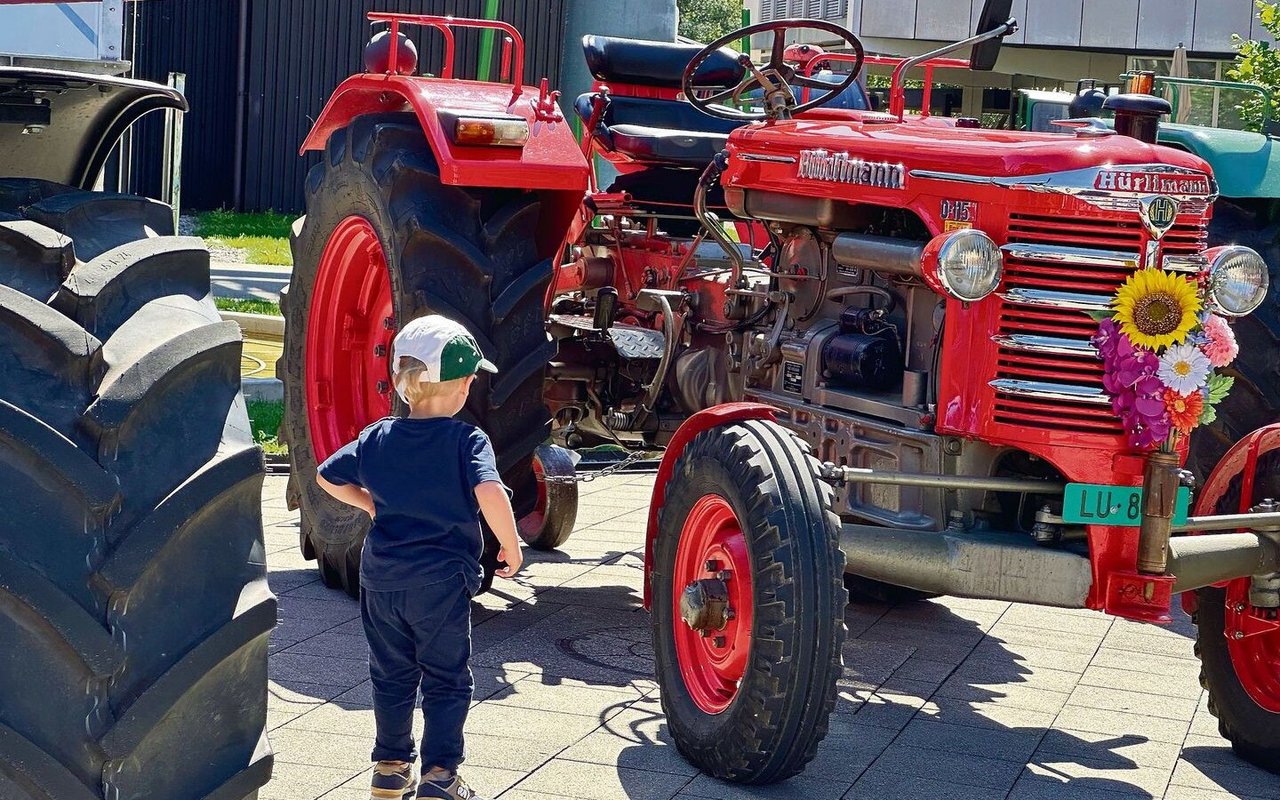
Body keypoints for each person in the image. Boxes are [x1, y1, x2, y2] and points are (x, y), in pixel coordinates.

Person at [316, 314, 523, 800]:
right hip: (440, 584)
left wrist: (369, 503)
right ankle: (440, 777)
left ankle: (389, 769)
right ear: (460, 387)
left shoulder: (377, 437)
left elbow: (327, 474)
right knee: (447, 679)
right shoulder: (466, 441)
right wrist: (510, 545)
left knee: (390, 675)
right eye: (471, 376)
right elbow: (490, 489)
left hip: (381, 582)